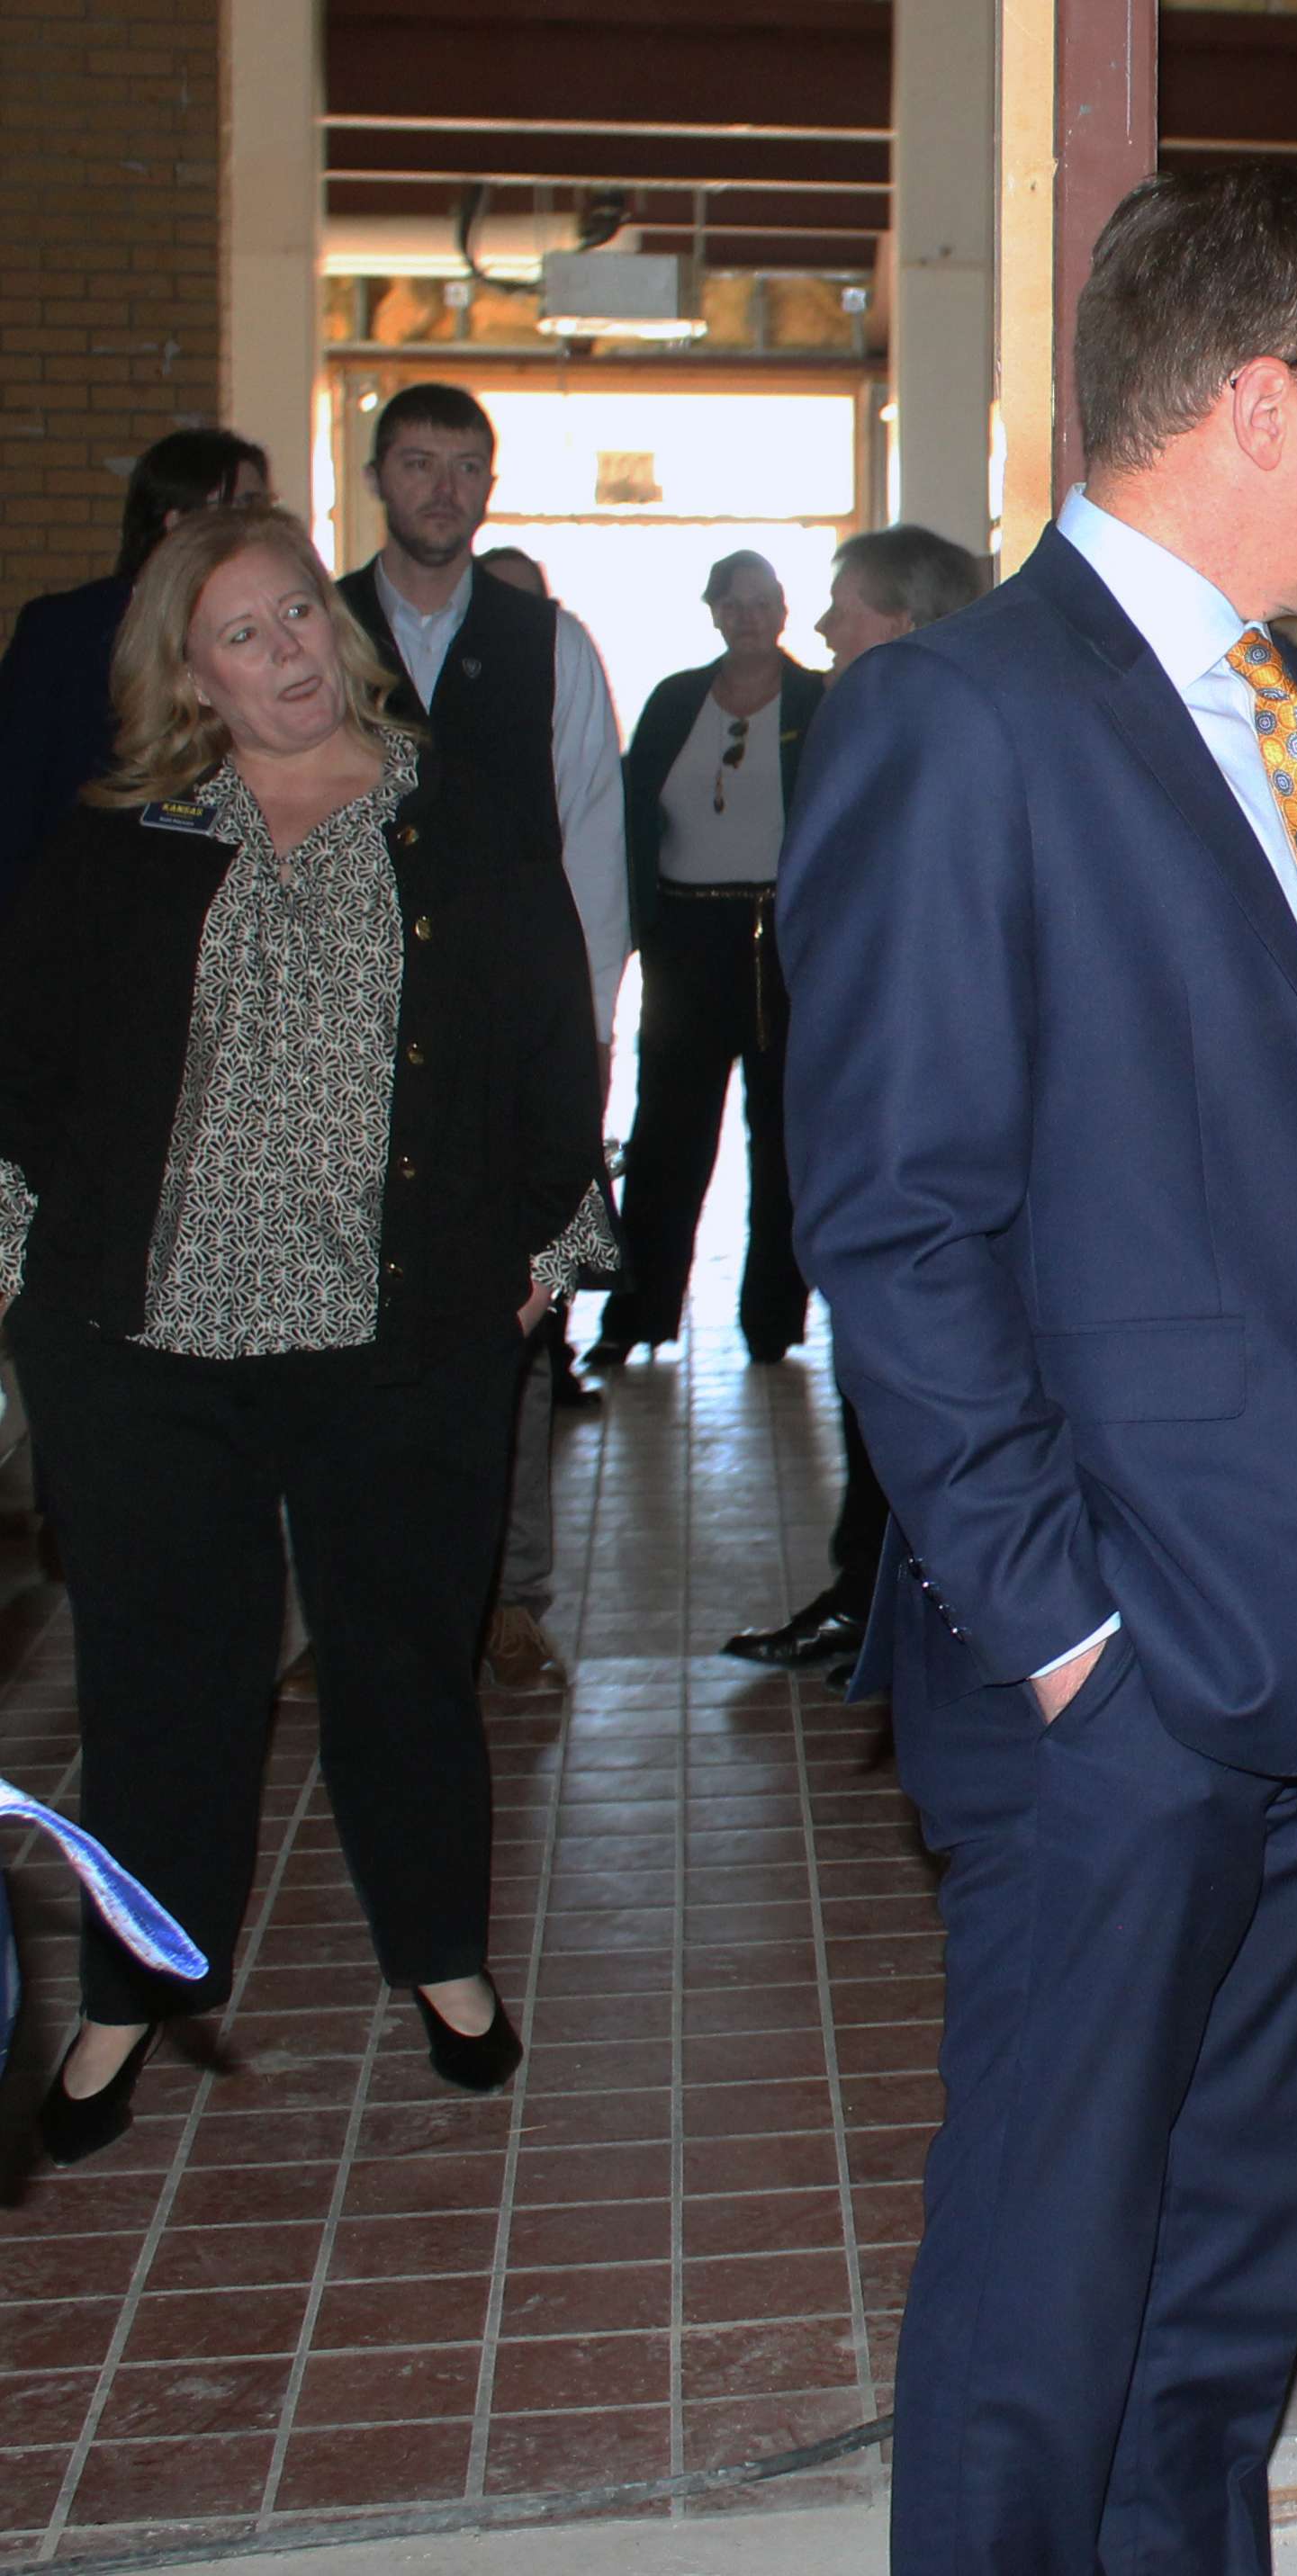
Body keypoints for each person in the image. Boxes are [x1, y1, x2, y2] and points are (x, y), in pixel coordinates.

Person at [778, 165, 1297, 2576]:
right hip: (1126, 1661)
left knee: (1235, 2247)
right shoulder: (961, 720)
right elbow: (900, 1220)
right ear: (1269, 395)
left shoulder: (1287, 703)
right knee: (1049, 2277)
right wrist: (1055, 1622)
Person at [0, 507, 612, 2163]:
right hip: (141, 1348)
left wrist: (551, 1239)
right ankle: (133, 1987)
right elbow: (24, 1074)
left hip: (394, 1336)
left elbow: (556, 1038)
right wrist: (14, 1283)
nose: (282, 654)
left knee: (401, 1664)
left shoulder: (459, 817)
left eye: (293, 618)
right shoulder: (120, 836)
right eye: (240, 636)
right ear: (187, 677)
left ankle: (443, 1961)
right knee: (157, 1684)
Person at [335, 383, 628, 1693]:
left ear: (490, 484)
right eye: (418, 464)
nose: (443, 490)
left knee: (512, 1316)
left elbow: (591, 849)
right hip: (340, 1032)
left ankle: (510, 1592)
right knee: (331, 1317)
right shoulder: (318, 632)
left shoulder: (550, 643)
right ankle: (333, 1603)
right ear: (376, 474)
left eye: (466, 467)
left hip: (505, 1039)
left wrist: (592, 1031)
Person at [728, 525, 987, 1682]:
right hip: (861, 1094)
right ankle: (870, 1592)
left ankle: (897, 1611)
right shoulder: (886, 716)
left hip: (914, 1116)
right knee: (871, 1369)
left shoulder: (925, 727)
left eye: (848, 605)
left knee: (904, 1369)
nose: (824, 627)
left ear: (911, 618)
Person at [590, 552, 824, 1372]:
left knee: (784, 1142)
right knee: (666, 1138)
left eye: (762, 601)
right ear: (713, 612)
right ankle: (638, 1313)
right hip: (685, 942)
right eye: (734, 601)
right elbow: (627, 812)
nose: (748, 614)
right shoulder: (675, 700)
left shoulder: (817, 700)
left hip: (782, 944)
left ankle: (773, 1323)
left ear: (785, 610)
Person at [0, 428, 271, 909]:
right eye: (240, 506)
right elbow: (17, 792)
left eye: (260, 507)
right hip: (80, 900)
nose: (257, 526)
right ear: (177, 521)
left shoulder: (268, 631)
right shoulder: (65, 629)